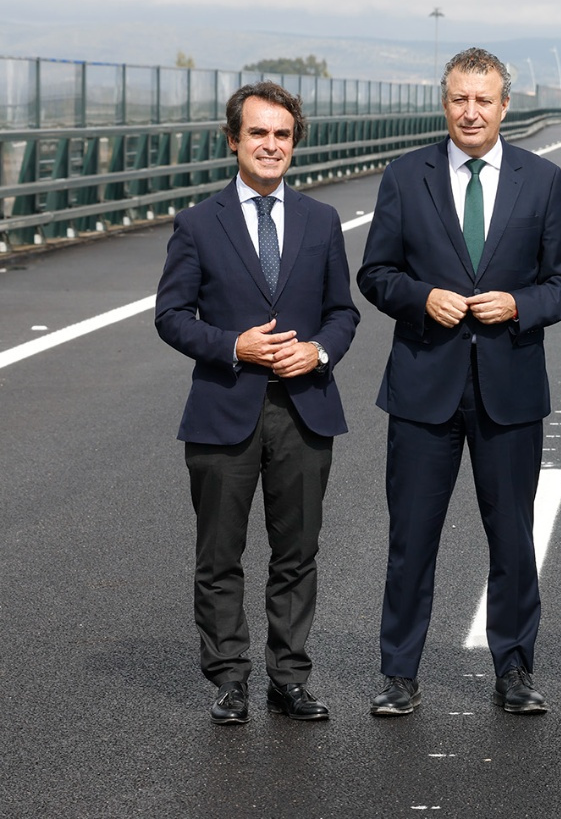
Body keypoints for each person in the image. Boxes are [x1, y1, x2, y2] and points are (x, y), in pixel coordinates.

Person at [357, 47, 561, 716]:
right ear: (444, 101)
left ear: (505, 106)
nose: (471, 111)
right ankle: (399, 673)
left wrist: (519, 305)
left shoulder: (542, 180)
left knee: (513, 536)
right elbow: (375, 274)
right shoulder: (406, 176)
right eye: (460, 98)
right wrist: (422, 297)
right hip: (425, 384)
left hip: (508, 386)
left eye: (484, 100)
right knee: (411, 539)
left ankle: (514, 668)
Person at [155, 81, 360, 725]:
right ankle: (228, 679)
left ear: (295, 143)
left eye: (282, 135)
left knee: (297, 552)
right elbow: (170, 317)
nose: (271, 146)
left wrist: (320, 353)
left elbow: (342, 313)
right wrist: (233, 346)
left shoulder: (321, 221)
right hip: (224, 407)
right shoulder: (196, 223)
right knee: (220, 553)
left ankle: (290, 678)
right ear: (233, 140)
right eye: (258, 134)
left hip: (305, 408)